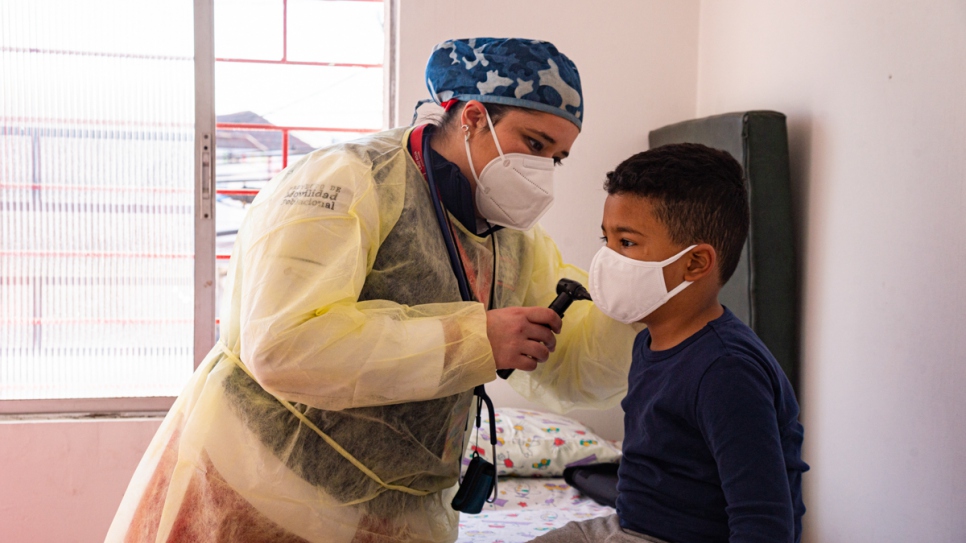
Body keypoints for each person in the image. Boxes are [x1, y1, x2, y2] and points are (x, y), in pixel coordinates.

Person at [105, 38, 639, 543]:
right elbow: (285, 343)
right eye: (535, 144)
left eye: (558, 157)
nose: (544, 170)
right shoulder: (344, 182)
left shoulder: (517, 244)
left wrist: (636, 295)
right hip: (259, 487)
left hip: (402, 511)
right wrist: (474, 340)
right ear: (475, 117)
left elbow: (570, 366)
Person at [529, 144, 809, 543]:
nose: (606, 258)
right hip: (629, 525)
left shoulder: (726, 371)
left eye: (626, 243)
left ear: (695, 263)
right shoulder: (649, 342)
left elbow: (764, 519)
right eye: (605, 239)